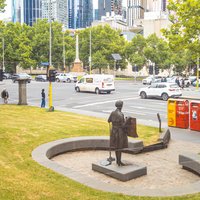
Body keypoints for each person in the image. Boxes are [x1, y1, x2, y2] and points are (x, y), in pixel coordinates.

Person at [108, 100, 128, 166]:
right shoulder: (121, 114)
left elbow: (109, 120)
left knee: (116, 147)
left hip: (114, 131)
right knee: (119, 147)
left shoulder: (112, 112)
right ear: (121, 106)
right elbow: (123, 125)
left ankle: (118, 161)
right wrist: (127, 120)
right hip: (119, 133)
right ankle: (119, 161)